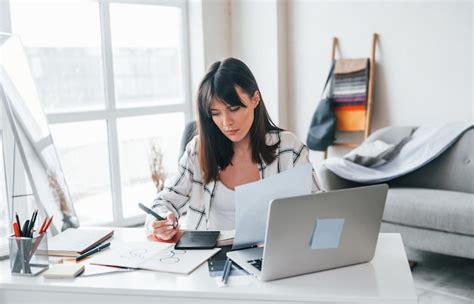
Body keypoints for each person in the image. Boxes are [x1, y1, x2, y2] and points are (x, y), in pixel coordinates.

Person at [146, 57, 320, 241]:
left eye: (234, 108)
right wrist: (162, 221)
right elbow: (163, 202)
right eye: (215, 113)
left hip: (269, 255)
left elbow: (319, 207)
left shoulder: (288, 148)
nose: (226, 122)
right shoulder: (198, 150)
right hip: (208, 258)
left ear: (255, 99)